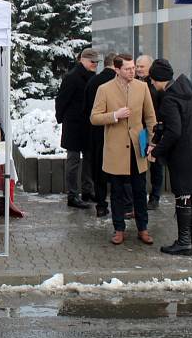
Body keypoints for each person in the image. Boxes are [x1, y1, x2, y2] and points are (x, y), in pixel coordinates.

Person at [147, 59, 192, 256]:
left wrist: (157, 150)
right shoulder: (186, 89)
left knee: (183, 194)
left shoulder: (169, 99)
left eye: (153, 80)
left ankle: (184, 242)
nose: (152, 84)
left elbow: (174, 131)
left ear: (159, 79)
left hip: (183, 154)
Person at [90, 53, 157, 245]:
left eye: (134, 67)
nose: (132, 71)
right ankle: (118, 229)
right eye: (128, 68)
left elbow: (150, 118)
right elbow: (94, 117)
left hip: (138, 148)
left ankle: (143, 228)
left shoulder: (142, 87)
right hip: (116, 148)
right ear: (117, 70)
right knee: (117, 192)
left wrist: (152, 142)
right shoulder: (104, 89)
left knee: (139, 190)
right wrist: (114, 115)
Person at [55, 48, 99, 208]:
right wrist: (60, 118)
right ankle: (72, 195)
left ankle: (88, 191)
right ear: (83, 60)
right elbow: (61, 100)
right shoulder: (72, 77)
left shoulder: (92, 77)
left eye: (97, 62)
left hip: (88, 125)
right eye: (92, 61)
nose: (95, 64)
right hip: (74, 125)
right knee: (73, 162)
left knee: (89, 160)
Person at [83, 52, 117, 217]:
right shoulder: (119, 83)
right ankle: (121, 206)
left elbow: (86, 109)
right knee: (118, 172)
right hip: (116, 132)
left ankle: (101, 205)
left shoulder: (93, 81)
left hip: (96, 133)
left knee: (98, 170)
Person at [136, 54, 164, 210]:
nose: (139, 69)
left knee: (155, 164)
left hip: (154, 130)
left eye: (142, 66)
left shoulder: (156, 85)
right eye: (137, 66)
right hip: (138, 130)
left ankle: (155, 197)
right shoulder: (133, 82)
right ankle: (139, 195)